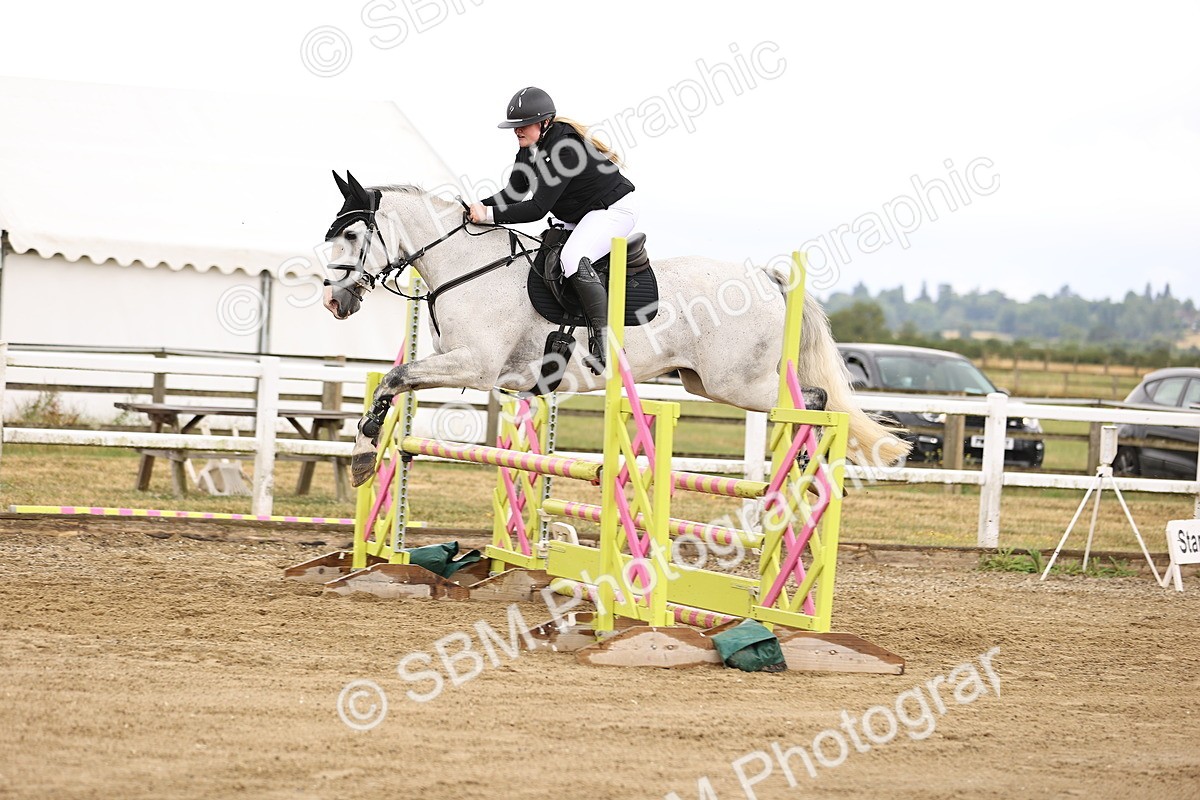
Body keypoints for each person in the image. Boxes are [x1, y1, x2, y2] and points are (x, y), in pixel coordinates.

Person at [469, 87, 637, 373]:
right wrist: (472, 207)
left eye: (522, 126)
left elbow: (537, 209)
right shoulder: (528, 149)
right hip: (582, 214)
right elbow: (513, 193)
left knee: (572, 258)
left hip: (612, 210)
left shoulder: (564, 149)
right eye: (515, 127)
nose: (516, 132)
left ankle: (607, 342)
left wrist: (488, 215)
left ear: (544, 123)